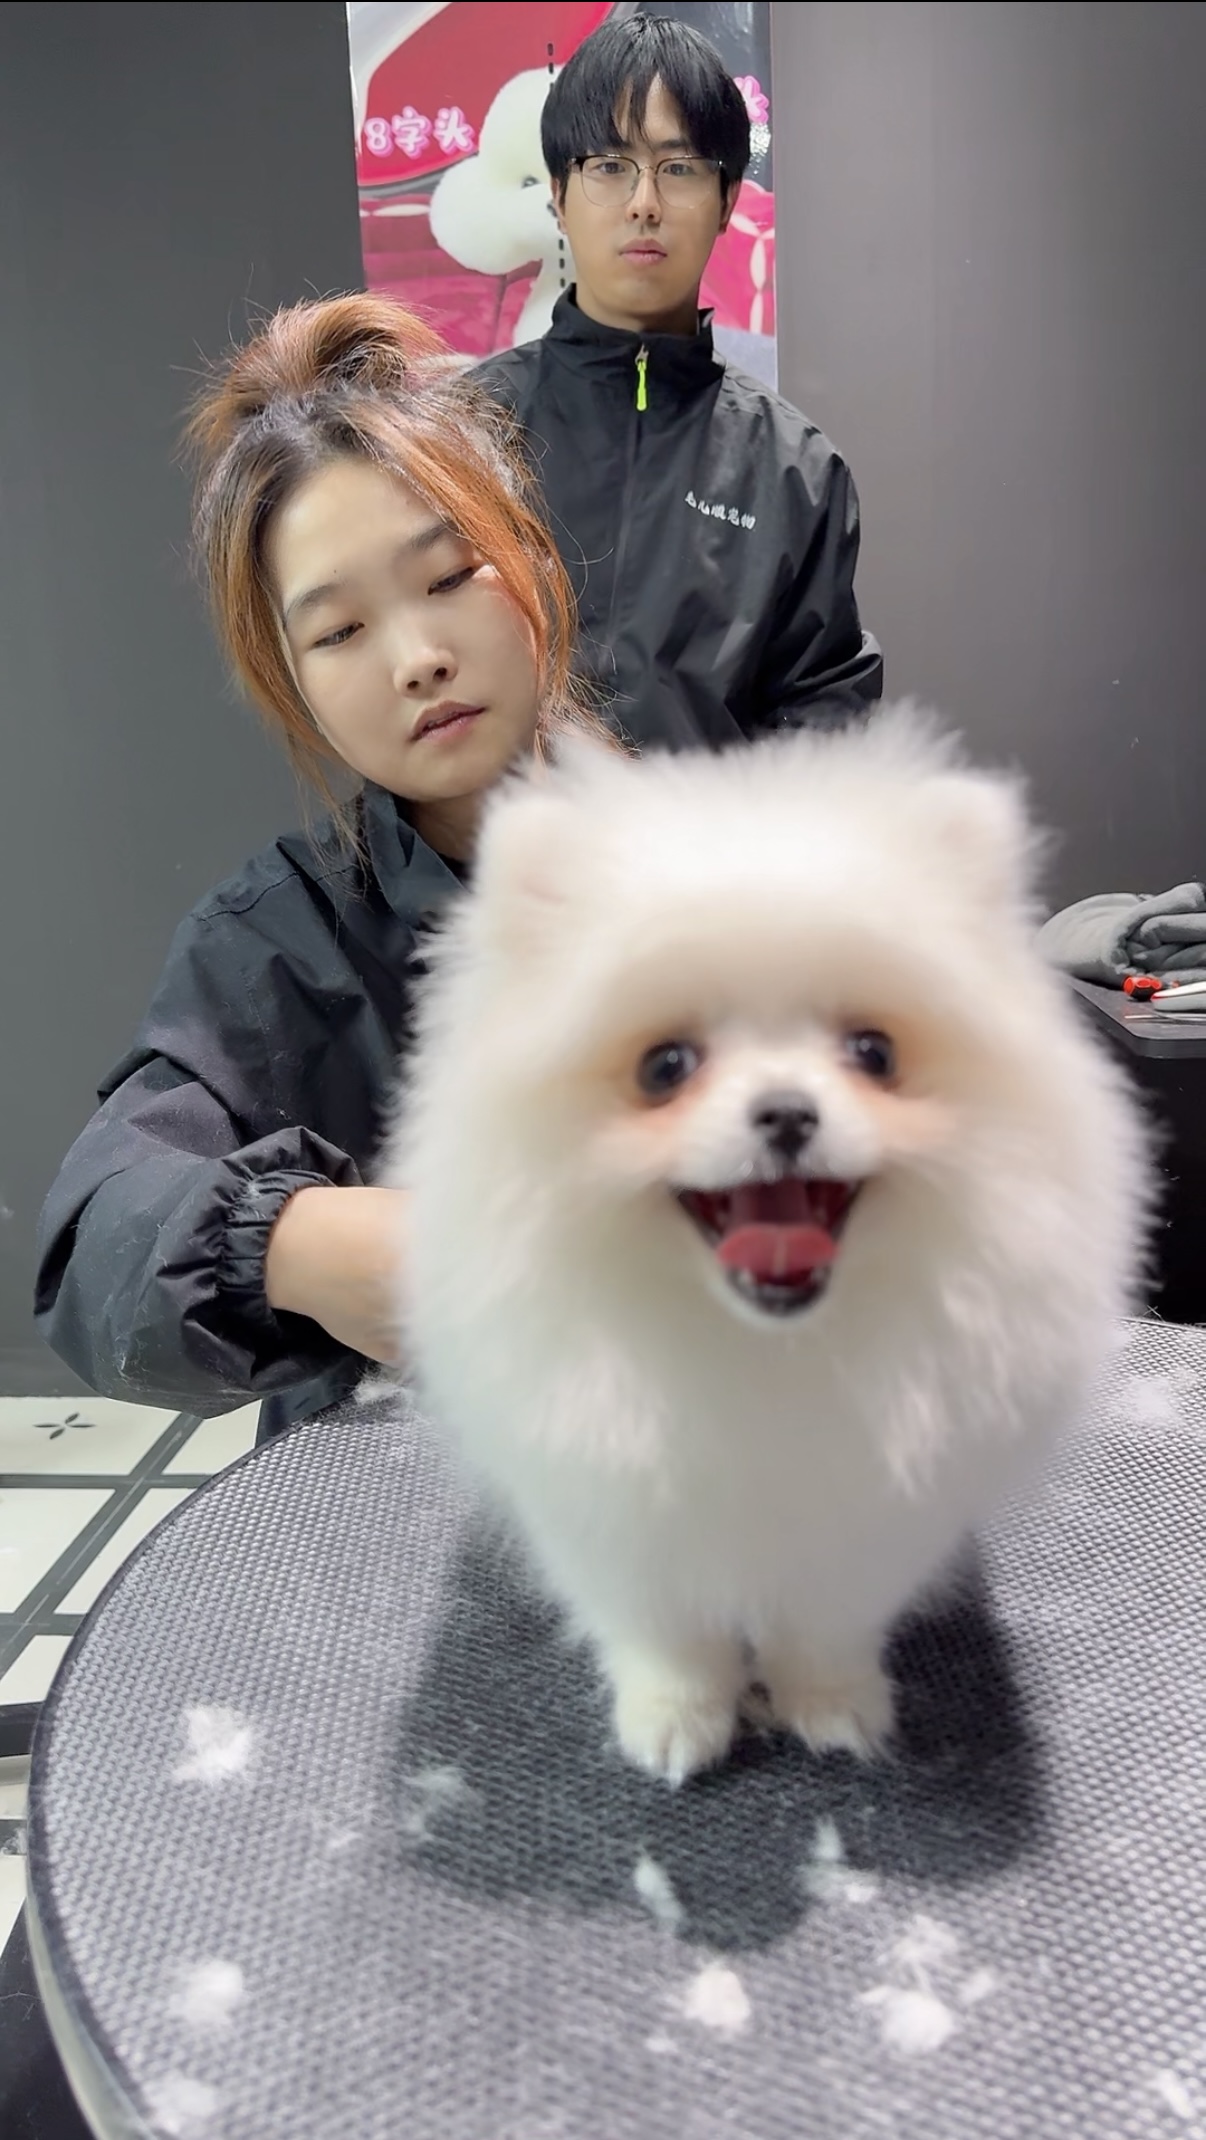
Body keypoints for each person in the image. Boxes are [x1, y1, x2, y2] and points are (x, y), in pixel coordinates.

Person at [34, 295, 610, 1436]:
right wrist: (288, 1242)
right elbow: (93, 1237)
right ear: (291, 681)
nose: (418, 658)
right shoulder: (276, 945)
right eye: (340, 631)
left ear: (531, 560)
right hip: (388, 1488)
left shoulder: (707, 860)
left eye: (449, 576)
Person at [474, 11, 883, 749]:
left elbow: (823, 714)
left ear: (726, 202)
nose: (644, 203)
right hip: (502, 828)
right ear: (559, 196)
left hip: (711, 829)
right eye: (609, 166)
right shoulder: (460, 434)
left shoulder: (795, 472)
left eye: (679, 167)